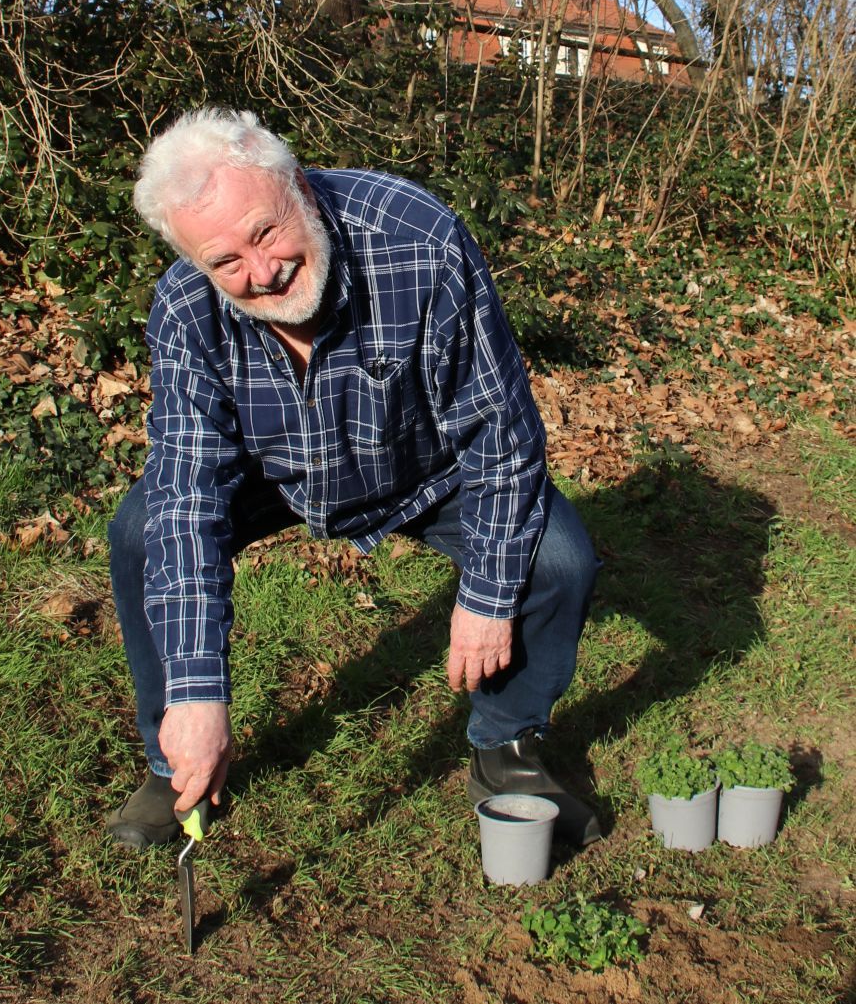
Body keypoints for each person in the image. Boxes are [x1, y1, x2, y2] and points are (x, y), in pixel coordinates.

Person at [107, 107, 602, 850]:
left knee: (556, 560)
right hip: (273, 470)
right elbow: (187, 496)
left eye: (265, 232)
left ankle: (507, 744)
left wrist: (487, 596)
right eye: (225, 261)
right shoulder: (186, 308)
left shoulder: (419, 240)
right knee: (145, 532)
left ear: (300, 188)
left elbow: (501, 432)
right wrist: (198, 688)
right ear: (192, 261)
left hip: (424, 467)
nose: (261, 273)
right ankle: (175, 759)